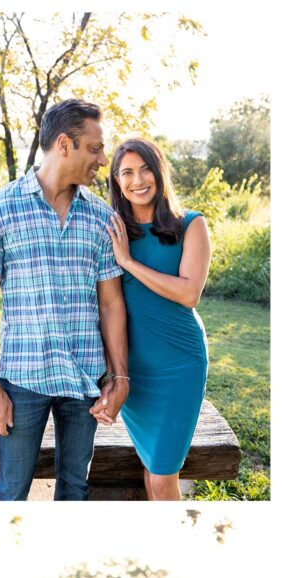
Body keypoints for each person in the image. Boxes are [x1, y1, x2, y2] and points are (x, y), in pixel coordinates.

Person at [0, 99, 128, 501]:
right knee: (10, 492)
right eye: (95, 148)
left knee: (75, 490)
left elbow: (111, 305)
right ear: (64, 144)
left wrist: (119, 377)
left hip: (85, 381)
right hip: (22, 379)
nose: (103, 159)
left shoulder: (102, 217)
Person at [106, 138, 212, 500]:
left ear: (159, 171)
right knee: (152, 470)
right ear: (117, 181)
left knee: (165, 474)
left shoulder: (191, 225)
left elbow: (188, 293)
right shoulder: (114, 230)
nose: (138, 180)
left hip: (180, 363)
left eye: (145, 168)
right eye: (127, 172)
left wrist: (129, 263)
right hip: (134, 368)